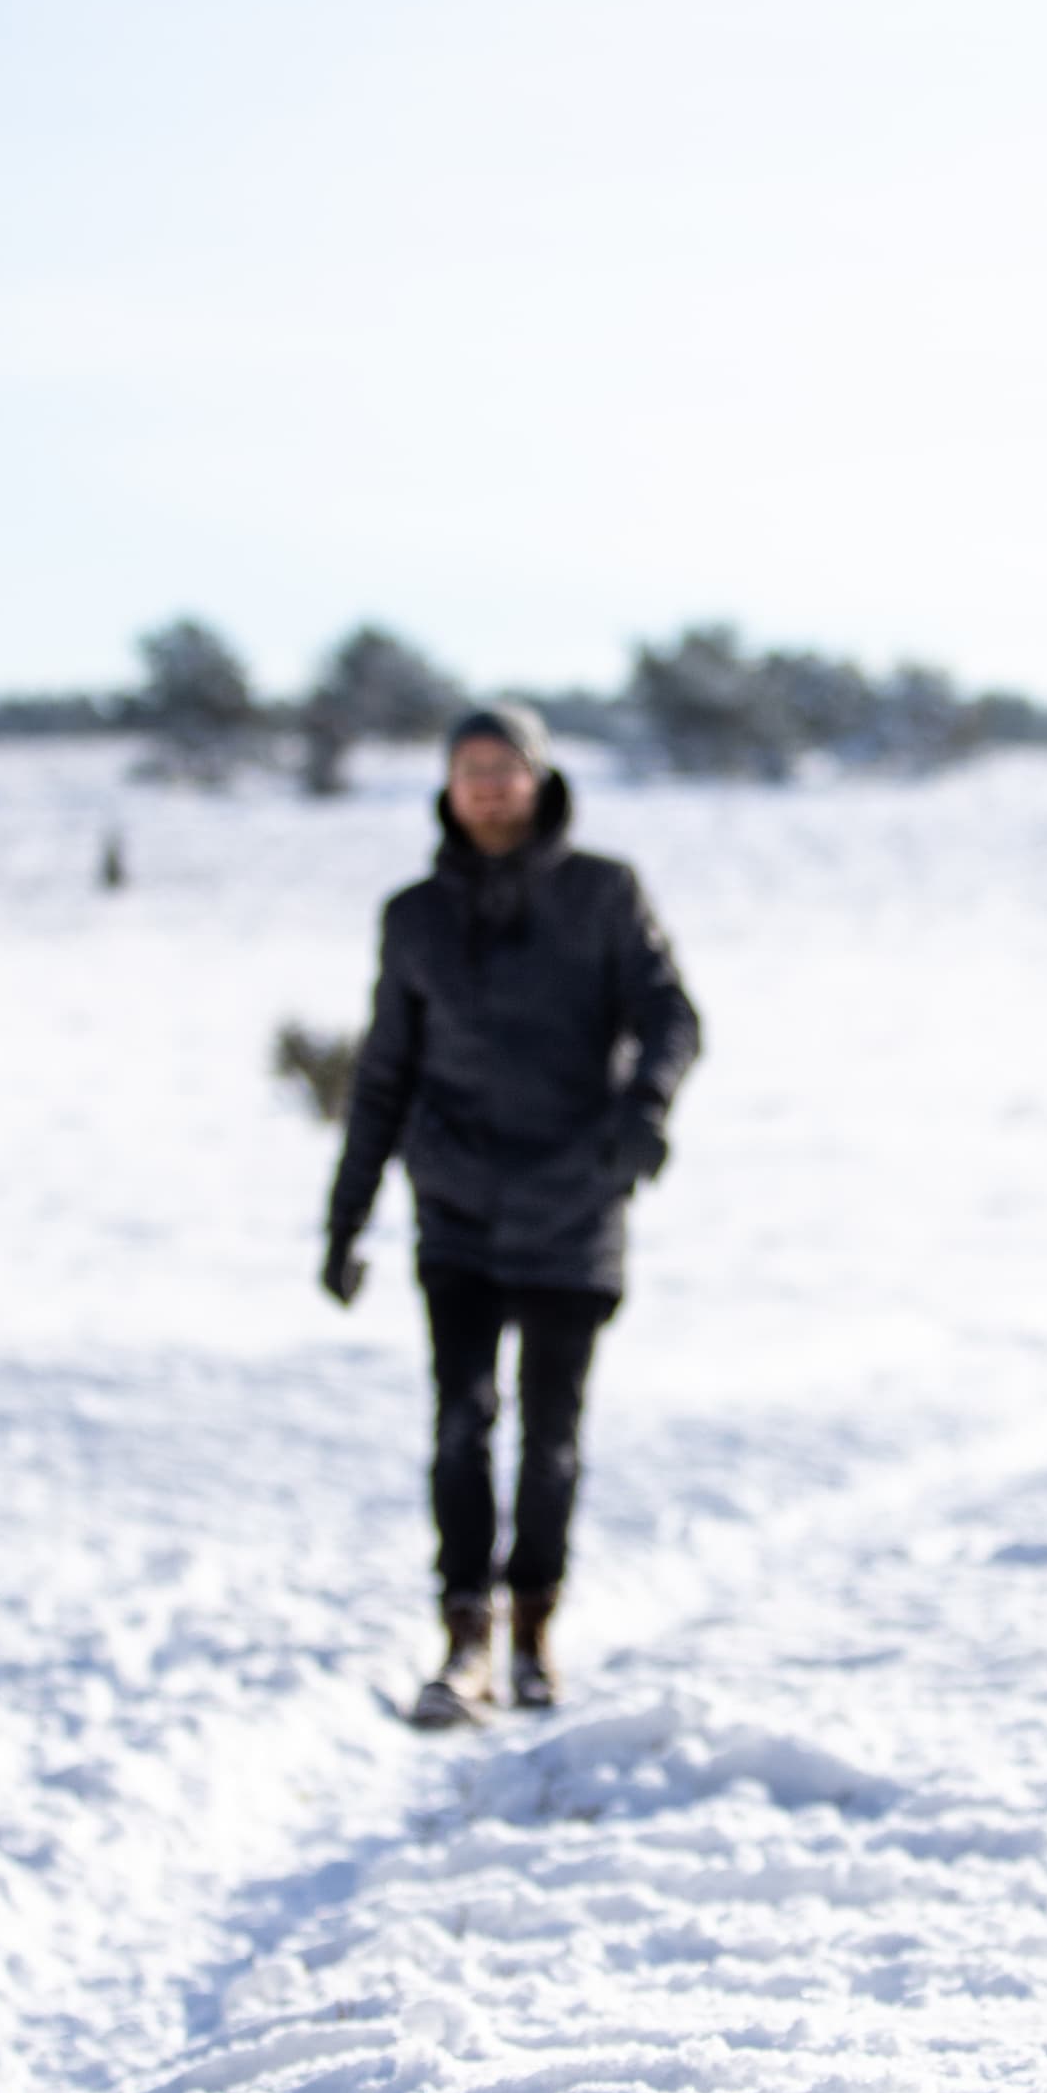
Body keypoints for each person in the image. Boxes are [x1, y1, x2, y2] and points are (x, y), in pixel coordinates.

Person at [323, 703, 700, 1726]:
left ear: (538, 778)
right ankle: (464, 1638)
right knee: (459, 1425)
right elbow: (385, 1073)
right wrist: (346, 1217)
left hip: (575, 1202)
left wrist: (643, 1108)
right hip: (457, 1207)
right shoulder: (414, 917)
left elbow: (672, 1014)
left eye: (505, 768)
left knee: (550, 1436)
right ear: (447, 786)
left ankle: (534, 1631)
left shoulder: (603, 893)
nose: (488, 787)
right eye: (469, 769)